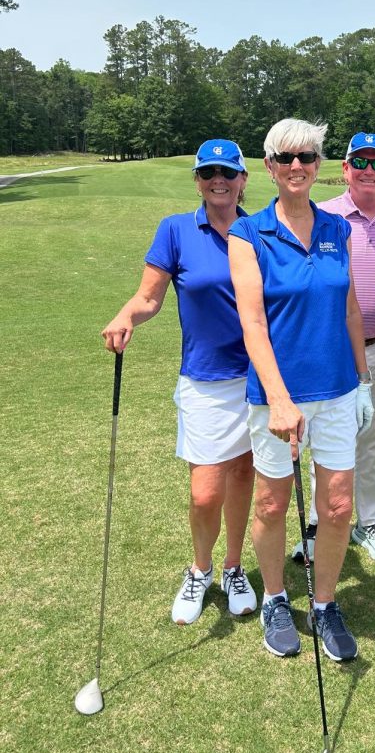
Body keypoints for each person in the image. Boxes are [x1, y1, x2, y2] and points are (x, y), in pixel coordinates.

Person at [228, 118, 373, 661]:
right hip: (277, 399)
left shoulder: (338, 229)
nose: (297, 166)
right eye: (286, 157)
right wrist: (279, 398)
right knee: (271, 505)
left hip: (337, 391)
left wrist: (362, 381)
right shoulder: (248, 234)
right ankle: (274, 598)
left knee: (336, 506)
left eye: (307, 157)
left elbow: (351, 309)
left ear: (318, 165)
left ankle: (326, 603)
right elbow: (253, 324)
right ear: (268, 166)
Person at [101, 139, 257, 625]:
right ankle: (200, 568)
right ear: (197, 180)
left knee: (244, 475)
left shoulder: (259, 230)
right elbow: (149, 297)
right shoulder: (176, 230)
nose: (218, 180)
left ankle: (233, 567)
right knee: (205, 491)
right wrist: (127, 315)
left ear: (243, 180)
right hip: (205, 379)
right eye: (208, 172)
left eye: (227, 173)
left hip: (257, 378)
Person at [290, 131, 375, 564]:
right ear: (345, 169)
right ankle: (317, 525)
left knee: (373, 440)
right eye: (360, 162)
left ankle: (370, 522)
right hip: (327, 349)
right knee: (320, 438)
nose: (369, 170)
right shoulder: (322, 215)